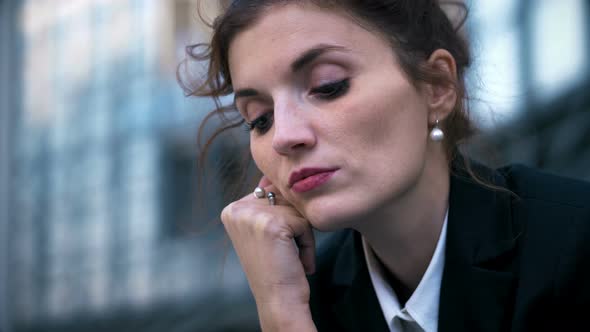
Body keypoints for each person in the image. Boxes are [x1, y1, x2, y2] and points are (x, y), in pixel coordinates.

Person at [180, 1, 590, 331]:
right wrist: (281, 312)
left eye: (328, 86)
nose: (284, 136)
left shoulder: (573, 246)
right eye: (259, 119)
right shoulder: (304, 296)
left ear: (437, 87)